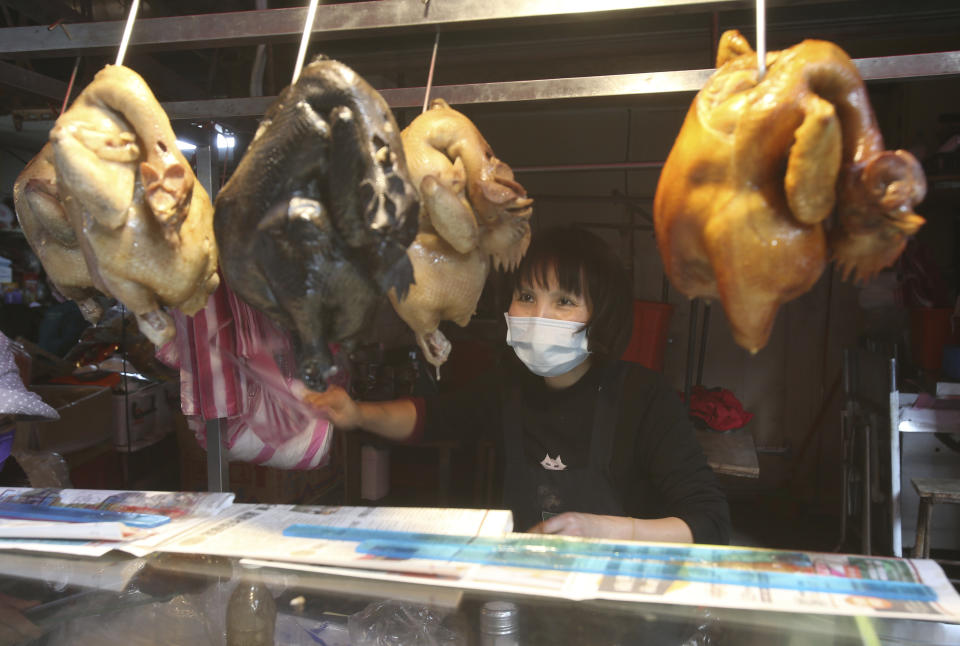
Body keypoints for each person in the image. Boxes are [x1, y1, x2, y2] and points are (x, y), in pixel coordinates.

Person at [299, 226, 730, 544]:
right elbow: (434, 418)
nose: (537, 315)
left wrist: (609, 529)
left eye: (563, 301)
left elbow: (709, 524)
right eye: (526, 296)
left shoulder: (645, 400)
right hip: (531, 593)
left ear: (603, 317)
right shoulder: (509, 386)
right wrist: (356, 413)